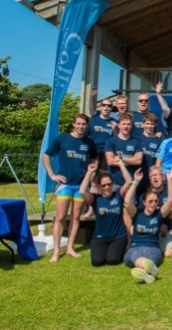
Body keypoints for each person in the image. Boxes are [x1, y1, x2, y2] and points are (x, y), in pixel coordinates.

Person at [42, 113, 98, 262]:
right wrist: (52, 175)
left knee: (76, 217)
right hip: (65, 185)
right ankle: (56, 251)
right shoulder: (62, 139)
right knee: (60, 217)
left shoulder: (89, 142)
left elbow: (94, 160)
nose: (81, 126)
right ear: (73, 124)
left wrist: (91, 174)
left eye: (83, 124)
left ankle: (70, 248)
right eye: (78, 123)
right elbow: (46, 156)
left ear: (86, 126)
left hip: (80, 187)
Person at [123, 162, 172, 283]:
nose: (153, 204)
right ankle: (149, 270)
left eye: (155, 201)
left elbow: (170, 200)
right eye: (150, 201)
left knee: (151, 257)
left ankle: (145, 270)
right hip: (136, 246)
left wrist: (169, 180)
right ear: (144, 202)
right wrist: (135, 182)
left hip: (153, 247)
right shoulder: (137, 213)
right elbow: (126, 202)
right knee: (131, 256)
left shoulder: (158, 214)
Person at [79, 162, 131, 267]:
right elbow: (82, 191)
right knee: (97, 262)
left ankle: (121, 250)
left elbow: (129, 182)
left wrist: (121, 164)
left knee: (112, 260)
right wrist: (89, 172)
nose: (107, 187)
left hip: (118, 236)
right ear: (99, 186)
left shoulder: (119, 195)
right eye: (104, 185)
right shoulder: (95, 199)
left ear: (112, 184)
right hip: (100, 237)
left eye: (109, 184)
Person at [104, 113, 143, 191]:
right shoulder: (110, 141)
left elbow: (138, 161)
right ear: (119, 125)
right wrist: (131, 161)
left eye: (128, 124)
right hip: (114, 183)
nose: (126, 126)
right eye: (124, 124)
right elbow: (110, 161)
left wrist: (121, 159)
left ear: (131, 126)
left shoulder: (136, 142)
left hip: (131, 183)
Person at [86, 98, 115, 169]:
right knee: (93, 173)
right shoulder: (93, 121)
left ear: (111, 108)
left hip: (107, 153)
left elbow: (117, 139)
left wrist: (115, 129)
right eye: (104, 105)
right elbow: (85, 136)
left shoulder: (114, 122)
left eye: (109, 106)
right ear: (100, 107)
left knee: (105, 174)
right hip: (94, 152)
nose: (106, 107)